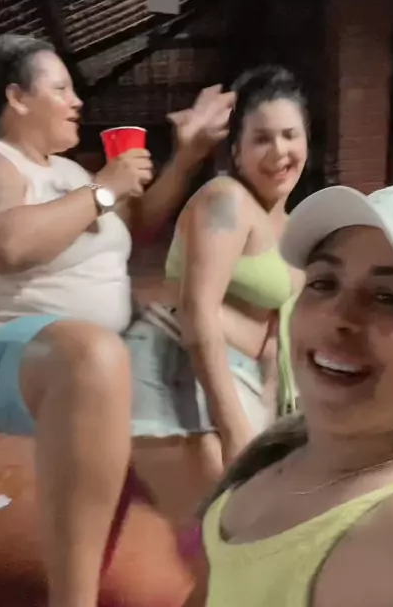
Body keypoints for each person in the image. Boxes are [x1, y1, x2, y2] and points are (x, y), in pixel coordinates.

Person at [0, 34, 233, 607]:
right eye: (60, 89)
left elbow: (138, 224)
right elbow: (7, 243)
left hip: (99, 358)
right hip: (5, 356)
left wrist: (186, 154)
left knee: (193, 361)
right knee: (93, 356)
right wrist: (105, 188)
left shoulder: (74, 174)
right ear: (16, 98)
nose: (77, 101)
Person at [91, 182, 393, 607]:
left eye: (390, 297)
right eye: (323, 283)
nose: (337, 315)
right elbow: (218, 599)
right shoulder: (286, 448)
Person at [126, 65, 306, 480]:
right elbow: (198, 310)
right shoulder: (226, 199)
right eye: (261, 138)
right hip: (178, 369)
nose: (278, 151)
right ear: (237, 152)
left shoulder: (293, 226)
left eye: (289, 135)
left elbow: (275, 334)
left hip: (240, 378)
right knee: (224, 513)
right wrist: (234, 429)